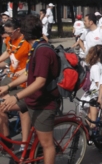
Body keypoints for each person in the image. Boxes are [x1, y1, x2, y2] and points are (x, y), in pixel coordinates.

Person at [1, 15, 59, 164]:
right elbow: (28, 74)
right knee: (2, 106)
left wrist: (16, 96)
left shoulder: (42, 51)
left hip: (44, 102)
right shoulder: (35, 48)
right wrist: (8, 87)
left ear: (24, 33)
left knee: (47, 144)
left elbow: (39, 82)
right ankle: (22, 148)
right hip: (32, 97)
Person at [0, 19, 31, 149]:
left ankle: (24, 144)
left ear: (18, 30)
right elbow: (8, 51)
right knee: (2, 109)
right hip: (10, 77)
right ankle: (7, 141)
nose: (7, 36)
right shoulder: (10, 40)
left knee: (22, 110)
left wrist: (23, 72)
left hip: (24, 82)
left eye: (9, 33)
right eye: (5, 33)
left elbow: (32, 66)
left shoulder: (27, 43)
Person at [84, 45, 102, 127]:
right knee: (93, 119)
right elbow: (97, 83)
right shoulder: (96, 67)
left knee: (90, 115)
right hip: (94, 93)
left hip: (95, 92)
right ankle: (90, 132)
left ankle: (88, 131)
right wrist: (101, 94)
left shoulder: (98, 65)